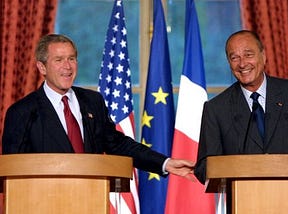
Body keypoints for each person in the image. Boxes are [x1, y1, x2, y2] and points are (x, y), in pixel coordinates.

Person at [2, 34, 194, 179]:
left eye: (71, 58)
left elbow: (117, 144)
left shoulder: (92, 101)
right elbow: (12, 171)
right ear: (42, 67)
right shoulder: (23, 112)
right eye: (59, 60)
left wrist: (165, 163)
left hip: (92, 198)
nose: (67, 67)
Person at [195, 30, 288, 184]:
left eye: (248, 55)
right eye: (234, 58)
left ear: (263, 55)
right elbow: (203, 168)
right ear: (229, 63)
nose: (242, 64)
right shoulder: (216, 109)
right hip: (243, 201)